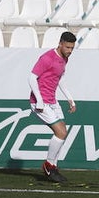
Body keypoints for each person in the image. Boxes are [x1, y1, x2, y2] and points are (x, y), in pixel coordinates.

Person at [29, 31, 77, 183]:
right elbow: (32, 77)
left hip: (52, 100)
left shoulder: (64, 59)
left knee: (63, 132)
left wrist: (69, 98)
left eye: (72, 48)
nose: (70, 51)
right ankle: (49, 165)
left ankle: (53, 167)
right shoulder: (47, 58)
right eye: (68, 47)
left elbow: (60, 78)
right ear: (60, 43)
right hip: (40, 102)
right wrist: (39, 99)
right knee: (61, 132)